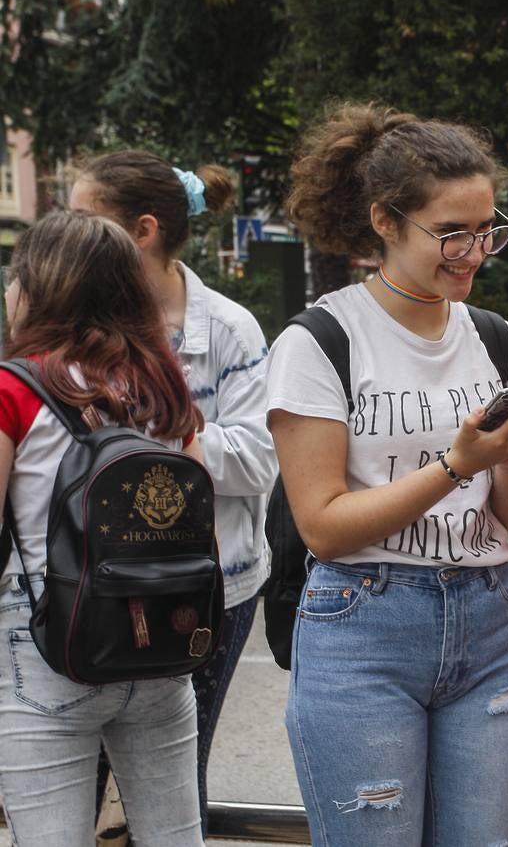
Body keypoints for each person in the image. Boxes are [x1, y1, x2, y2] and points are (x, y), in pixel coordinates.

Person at [266, 103, 508, 846]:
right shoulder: (321, 339)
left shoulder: (494, 337)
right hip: (363, 625)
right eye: (451, 232)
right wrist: (458, 464)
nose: (474, 250)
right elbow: (323, 527)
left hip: (490, 620)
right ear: (385, 222)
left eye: (488, 229)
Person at [69, 149, 276, 832]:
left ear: (144, 231)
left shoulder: (229, 330)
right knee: (81, 779)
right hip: (94, 587)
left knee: (175, 779)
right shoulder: (71, 330)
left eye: (82, 219)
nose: (67, 235)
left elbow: (258, 462)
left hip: (209, 588)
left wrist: (163, 426)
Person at [0, 211, 206, 845]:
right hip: (160, 645)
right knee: (176, 836)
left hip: (47, 646)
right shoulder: (163, 385)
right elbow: (201, 518)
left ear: (41, 288)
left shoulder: (15, 389)